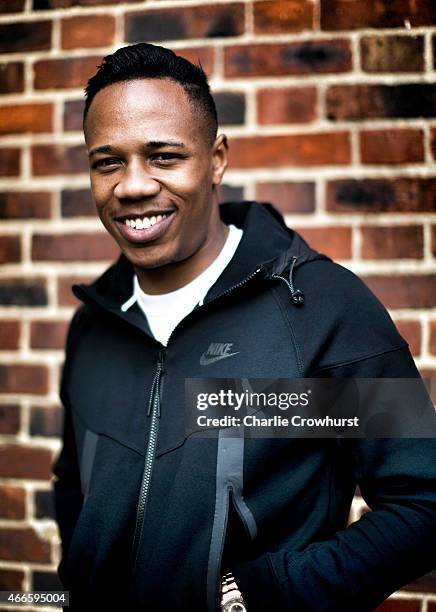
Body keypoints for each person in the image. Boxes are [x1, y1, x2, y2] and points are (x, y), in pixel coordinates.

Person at [53, 42, 436, 612]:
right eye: (108, 161)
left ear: (216, 158)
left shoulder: (318, 309)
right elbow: (73, 489)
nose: (132, 185)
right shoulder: (94, 326)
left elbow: (424, 501)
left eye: (163, 156)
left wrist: (270, 593)